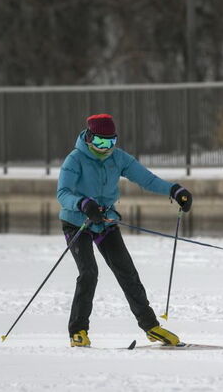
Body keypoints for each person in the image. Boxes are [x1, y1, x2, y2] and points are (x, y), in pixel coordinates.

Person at [56, 113, 193, 348]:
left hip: (104, 221)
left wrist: (174, 190)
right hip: (76, 221)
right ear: (89, 138)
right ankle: (78, 331)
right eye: (100, 142)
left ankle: (151, 327)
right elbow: (63, 194)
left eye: (110, 143)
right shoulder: (74, 160)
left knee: (127, 272)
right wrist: (83, 204)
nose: (105, 148)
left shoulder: (118, 158)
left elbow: (147, 179)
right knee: (89, 272)